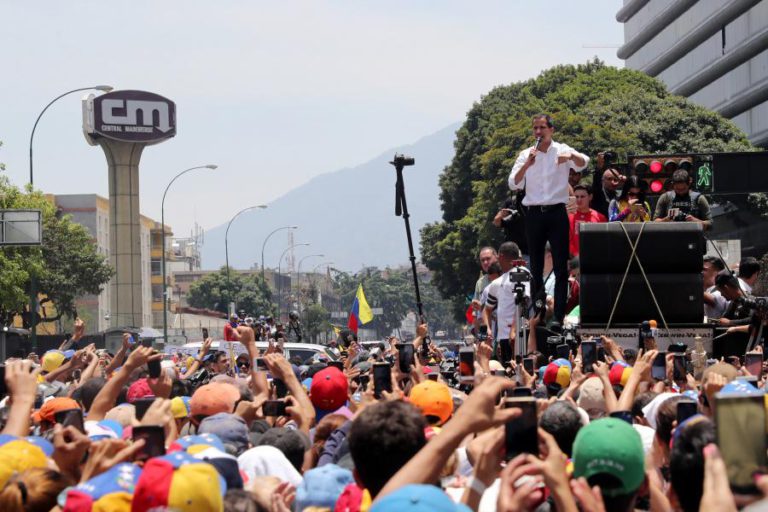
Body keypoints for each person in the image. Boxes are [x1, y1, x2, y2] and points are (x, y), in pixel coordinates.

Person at [509, 113, 589, 326]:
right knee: (534, 265)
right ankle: (539, 308)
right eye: (535, 128)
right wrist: (527, 165)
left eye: (542, 127)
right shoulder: (526, 154)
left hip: (556, 212)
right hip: (534, 213)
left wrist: (570, 157)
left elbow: (584, 163)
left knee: (561, 266)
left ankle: (560, 315)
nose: (538, 132)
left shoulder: (561, 149)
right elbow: (513, 183)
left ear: (551, 129)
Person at [483, 242, 531, 362]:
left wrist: (514, 330)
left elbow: (522, 303)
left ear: (501, 256)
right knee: (506, 372)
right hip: (502, 338)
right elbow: (487, 309)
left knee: (519, 371)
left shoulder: (521, 273)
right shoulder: (496, 283)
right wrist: (488, 329)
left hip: (520, 335)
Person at [568, 184, 607, 256]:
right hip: (573, 260)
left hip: (594, 259)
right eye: (576, 197)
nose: (579, 200)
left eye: (582, 196)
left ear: (590, 197)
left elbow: (603, 241)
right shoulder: (569, 217)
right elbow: (567, 240)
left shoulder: (600, 217)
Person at [702, 255, 728, 319]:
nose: (700, 272)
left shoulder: (721, 290)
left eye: (704, 269)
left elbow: (712, 299)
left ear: (717, 273)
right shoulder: (706, 291)